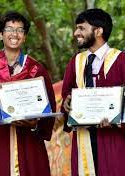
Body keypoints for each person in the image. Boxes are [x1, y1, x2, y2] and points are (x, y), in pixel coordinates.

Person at [0, 11, 56, 176]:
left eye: (20, 30)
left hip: (29, 142)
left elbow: (49, 107)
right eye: (9, 29)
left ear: (25, 36)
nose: (14, 34)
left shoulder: (36, 69)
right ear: (1, 35)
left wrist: (35, 124)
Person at [62, 8, 125, 176]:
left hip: (113, 139)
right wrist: (67, 103)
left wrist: (118, 120)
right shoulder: (76, 62)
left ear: (98, 31)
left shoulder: (121, 60)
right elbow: (66, 95)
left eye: (81, 28)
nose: (76, 33)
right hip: (83, 139)